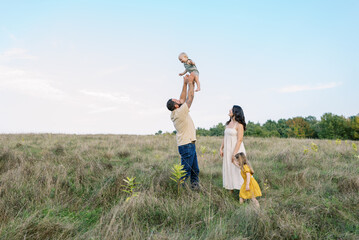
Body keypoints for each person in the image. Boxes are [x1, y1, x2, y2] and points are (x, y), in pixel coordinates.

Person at [166, 75, 200, 190]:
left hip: (189, 143)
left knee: (195, 170)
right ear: (176, 105)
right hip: (186, 145)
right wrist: (190, 83)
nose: (179, 99)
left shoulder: (175, 112)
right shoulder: (180, 112)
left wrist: (184, 84)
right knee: (186, 170)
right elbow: (190, 97)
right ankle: (182, 192)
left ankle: (195, 188)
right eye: (176, 100)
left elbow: (182, 98)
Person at [220, 105, 247, 193]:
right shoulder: (228, 124)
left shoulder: (239, 125)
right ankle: (230, 189)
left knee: (238, 169)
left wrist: (234, 154)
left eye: (231, 109)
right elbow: (225, 137)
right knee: (229, 168)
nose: (229, 110)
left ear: (236, 112)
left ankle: (243, 190)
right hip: (227, 150)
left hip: (236, 150)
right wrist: (221, 148)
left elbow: (239, 140)